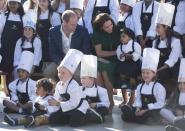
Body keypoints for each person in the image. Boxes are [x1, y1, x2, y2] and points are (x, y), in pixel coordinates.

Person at [20, 49, 91, 128]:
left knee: (74, 122)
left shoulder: (73, 85)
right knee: (53, 118)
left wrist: (58, 103)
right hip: (65, 108)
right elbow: (55, 100)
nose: (60, 75)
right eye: (59, 72)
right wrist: (46, 107)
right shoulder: (58, 85)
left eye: (63, 73)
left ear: (71, 74)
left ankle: (90, 115)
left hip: (78, 107)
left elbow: (74, 104)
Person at [121, 48, 166, 124]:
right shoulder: (139, 86)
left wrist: (145, 110)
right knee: (124, 113)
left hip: (152, 110)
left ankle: (137, 118)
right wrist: (138, 108)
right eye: (143, 73)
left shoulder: (159, 87)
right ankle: (141, 119)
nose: (145, 75)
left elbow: (160, 104)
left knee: (153, 115)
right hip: (142, 109)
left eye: (148, 73)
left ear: (154, 73)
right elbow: (138, 100)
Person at [47, 10, 91, 80]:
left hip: (77, 62)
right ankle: (56, 89)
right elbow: (53, 53)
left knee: (78, 75)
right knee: (47, 72)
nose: (76, 26)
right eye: (73, 24)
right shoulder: (53, 32)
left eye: (76, 23)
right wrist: (62, 64)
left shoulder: (83, 31)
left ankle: (75, 90)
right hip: (60, 60)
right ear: (64, 22)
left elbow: (86, 52)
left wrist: (72, 65)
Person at [92, 13, 120, 113]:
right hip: (102, 59)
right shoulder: (97, 34)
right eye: (106, 27)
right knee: (98, 71)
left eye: (111, 24)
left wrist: (118, 53)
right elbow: (99, 53)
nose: (110, 28)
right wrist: (116, 52)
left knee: (103, 70)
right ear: (101, 28)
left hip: (117, 60)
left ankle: (110, 101)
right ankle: (105, 101)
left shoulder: (118, 30)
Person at [152, 3, 182, 96]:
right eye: (156, 26)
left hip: (173, 68)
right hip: (160, 67)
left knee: (158, 77)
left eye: (158, 26)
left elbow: (172, 60)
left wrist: (158, 70)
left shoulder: (175, 41)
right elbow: (153, 58)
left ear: (165, 27)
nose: (156, 28)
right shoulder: (155, 42)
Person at [0, 0, 24, 83]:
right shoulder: (3, 16)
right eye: (10, 3)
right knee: (5, 72)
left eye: (14, 3)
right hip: (5, 50)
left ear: (19, 5)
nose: (12, 5)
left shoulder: (24, 17)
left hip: (19, 50)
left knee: (17, 71)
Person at [116, 28, 141, 107]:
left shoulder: (135, 45)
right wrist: (122, 56)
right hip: (123, 66)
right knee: (123, 82)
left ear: (130, 37)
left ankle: (132, 100)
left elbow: (138, 53)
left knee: (132, 82)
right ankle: (125, 99)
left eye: (123, 36)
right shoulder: (120, 46)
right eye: (120, 37)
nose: (121, 39)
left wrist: (132, 55)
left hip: (133, 66)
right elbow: (118, 54)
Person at [80, 55, 110, 122]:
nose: (81, 81)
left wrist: (96, 104)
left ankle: (93, 116)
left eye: (84, 78)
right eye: (81, 78)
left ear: (91, 78)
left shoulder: (102, 90)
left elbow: (107, 104)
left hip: (96, 109)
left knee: (104, 110)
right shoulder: (78, 89)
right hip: (83, 110)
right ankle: (94, 117)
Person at [36, 0, 61, 74]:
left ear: (49, 2)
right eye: (40, 1)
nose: (41, 3)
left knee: (48, 73)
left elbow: (57, 33)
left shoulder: (54, 15)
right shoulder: (35, 15)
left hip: (50, 47)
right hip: (39, 47)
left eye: (44, 1)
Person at [160, 58, 185, 131]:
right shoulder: (176, 92)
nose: (182, 86)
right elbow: (167, 105)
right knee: (163, 111)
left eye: (184, 83)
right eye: (180, 83)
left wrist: (183, 113)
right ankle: (176, 122)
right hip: (177, 117)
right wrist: (176, 110)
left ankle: (176, 126)